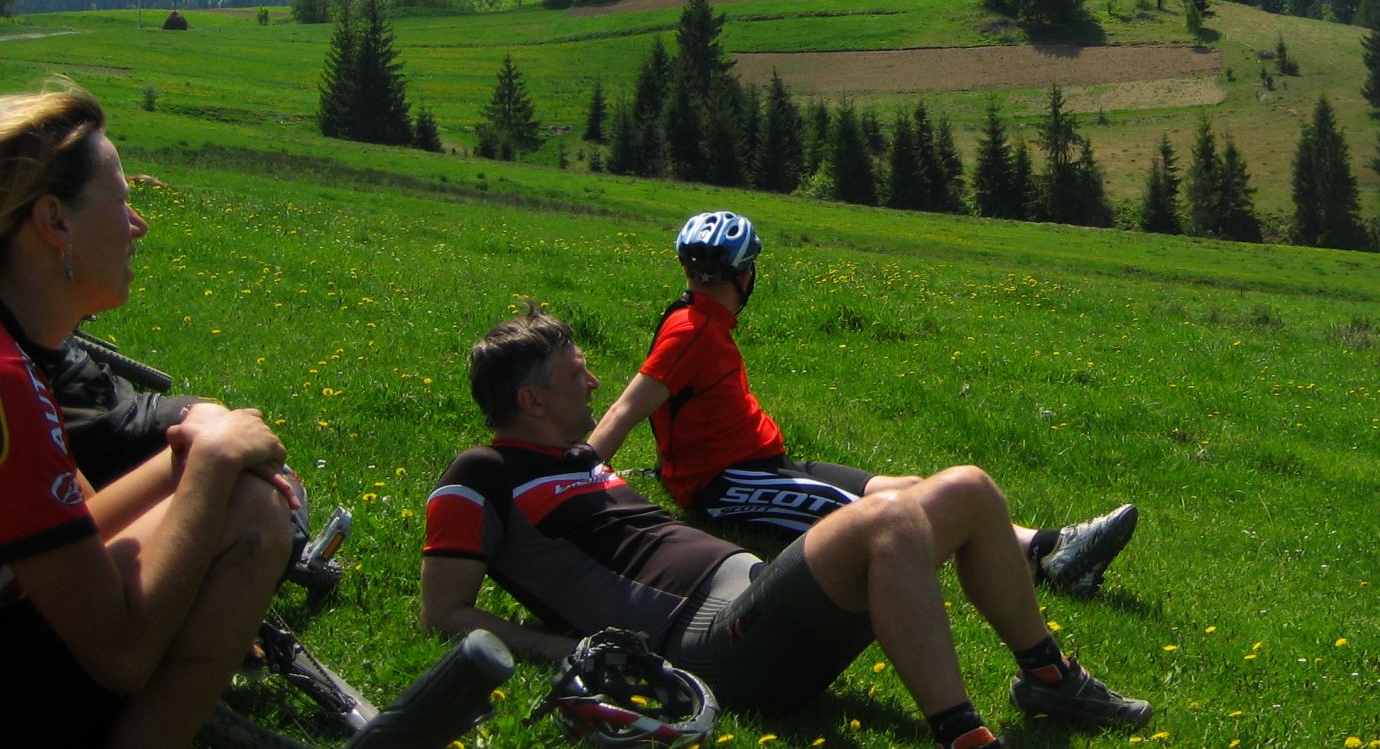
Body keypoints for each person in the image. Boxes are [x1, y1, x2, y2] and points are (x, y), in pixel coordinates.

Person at [422, 307, 1150, 749]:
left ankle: (1050, 679)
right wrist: (565, 649)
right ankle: (962, 733)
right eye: (575, 373)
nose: (591, 382)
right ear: (531, 400)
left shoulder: (578, 461)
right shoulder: (481, 473)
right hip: (704, 644)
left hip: (756, 598)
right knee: (889, 516)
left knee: (969, 489)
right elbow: (442, 611)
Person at [589, 210, 1137, 597]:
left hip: (767, 463)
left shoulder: (699, 322)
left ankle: (1052, 549)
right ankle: (1048, 559)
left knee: (905, 485)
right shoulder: (692, 333)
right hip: (728, 484)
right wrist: (570, 483)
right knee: (891, 519)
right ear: (745, 274)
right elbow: (625, 411)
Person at [0, 81, 296, 749]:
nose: (139, 224)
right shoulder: (0, 379)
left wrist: (189, 449)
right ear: (55, 223)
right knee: (251, 510)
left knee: (234, 491)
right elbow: (119, 653)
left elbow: (70, 530)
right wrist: (212, 463)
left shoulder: (3, 346)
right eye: (121, 200)